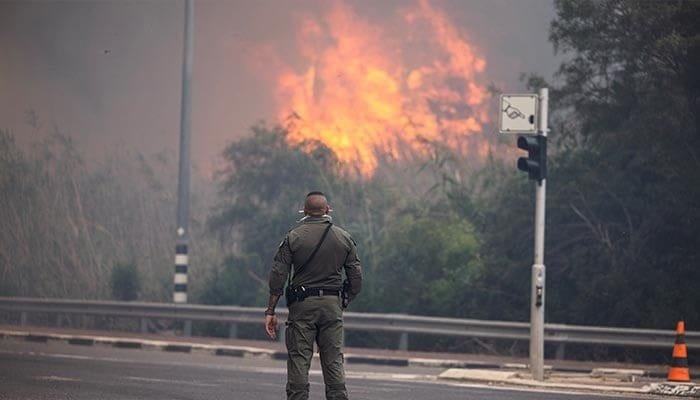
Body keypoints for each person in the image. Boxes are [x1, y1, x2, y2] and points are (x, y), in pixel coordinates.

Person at [264, 191, 362, 400]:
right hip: (332, 305)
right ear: (327, 210)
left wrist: (271, 310)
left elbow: (278, 275)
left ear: (305, 211)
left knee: (299, 358)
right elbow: (356, 277)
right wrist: (344, 299)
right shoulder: (343, 237)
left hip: (302, 306)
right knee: (333, 359)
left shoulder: (293, 237)